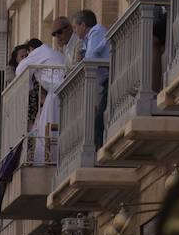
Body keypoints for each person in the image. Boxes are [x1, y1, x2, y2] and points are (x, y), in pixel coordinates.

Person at [16, 27, 67, 165]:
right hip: (62, 89)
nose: (28, 57)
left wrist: (28, 88)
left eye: (28, 54)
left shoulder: (38, 52)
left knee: (46, 127)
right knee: (52, 126)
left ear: (31, 49)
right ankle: (50, 157)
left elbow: (20, 69)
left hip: (56, 91)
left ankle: (46, 160)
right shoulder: (51, 52)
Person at [72, 10, 110, 148]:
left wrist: (82, 58)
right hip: (104, 82)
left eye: (75, 27)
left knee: (99, 121)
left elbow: (91, 57)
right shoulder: (87, 39)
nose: (75, 31)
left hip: (111, 78)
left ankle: (98, 151)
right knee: (98, 119)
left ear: (83, 25)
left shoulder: (96, 31)